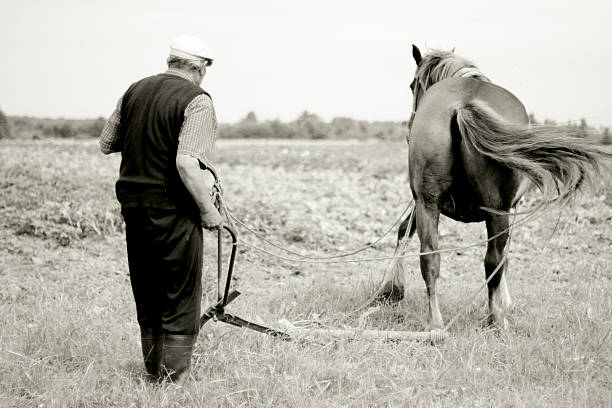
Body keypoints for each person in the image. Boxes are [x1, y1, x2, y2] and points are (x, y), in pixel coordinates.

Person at [99, 34, 224, 384]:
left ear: (171, 62)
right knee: (179, 294)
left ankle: (153, 370)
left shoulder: (134, 91)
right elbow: (186, 163)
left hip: (134, 207)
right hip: (174, 209)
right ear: (200, 68)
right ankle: (173, 380)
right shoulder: (197, 100)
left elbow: (106, 143)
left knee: (148, 288)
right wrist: (209, 211)